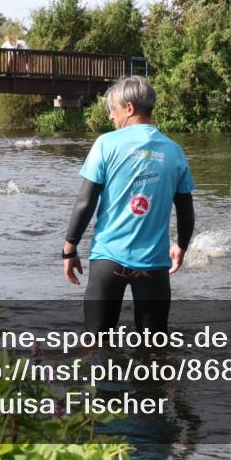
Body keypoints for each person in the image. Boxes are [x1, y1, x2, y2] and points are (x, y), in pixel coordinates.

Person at [62, 76, 195, 334]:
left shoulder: (106, 144)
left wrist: (69, 248)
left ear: (130, 108)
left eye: (113, 110)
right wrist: (181, 246)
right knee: (154, 348)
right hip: (154, 264)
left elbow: (85, 202)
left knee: (97, 343)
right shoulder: (175, 151)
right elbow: (186, 211)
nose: (111, 117)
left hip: (108, 259)